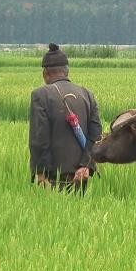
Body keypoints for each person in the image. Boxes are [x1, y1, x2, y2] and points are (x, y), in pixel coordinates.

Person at [29, 43, 102, 192]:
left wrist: (41, 172)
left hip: (53, 178)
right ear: (66, 71)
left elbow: (39, 139)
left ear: (45, 73)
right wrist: (85, 166)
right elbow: (96, 136)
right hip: (81, 176)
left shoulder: (40, 95)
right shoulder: (87, 94)